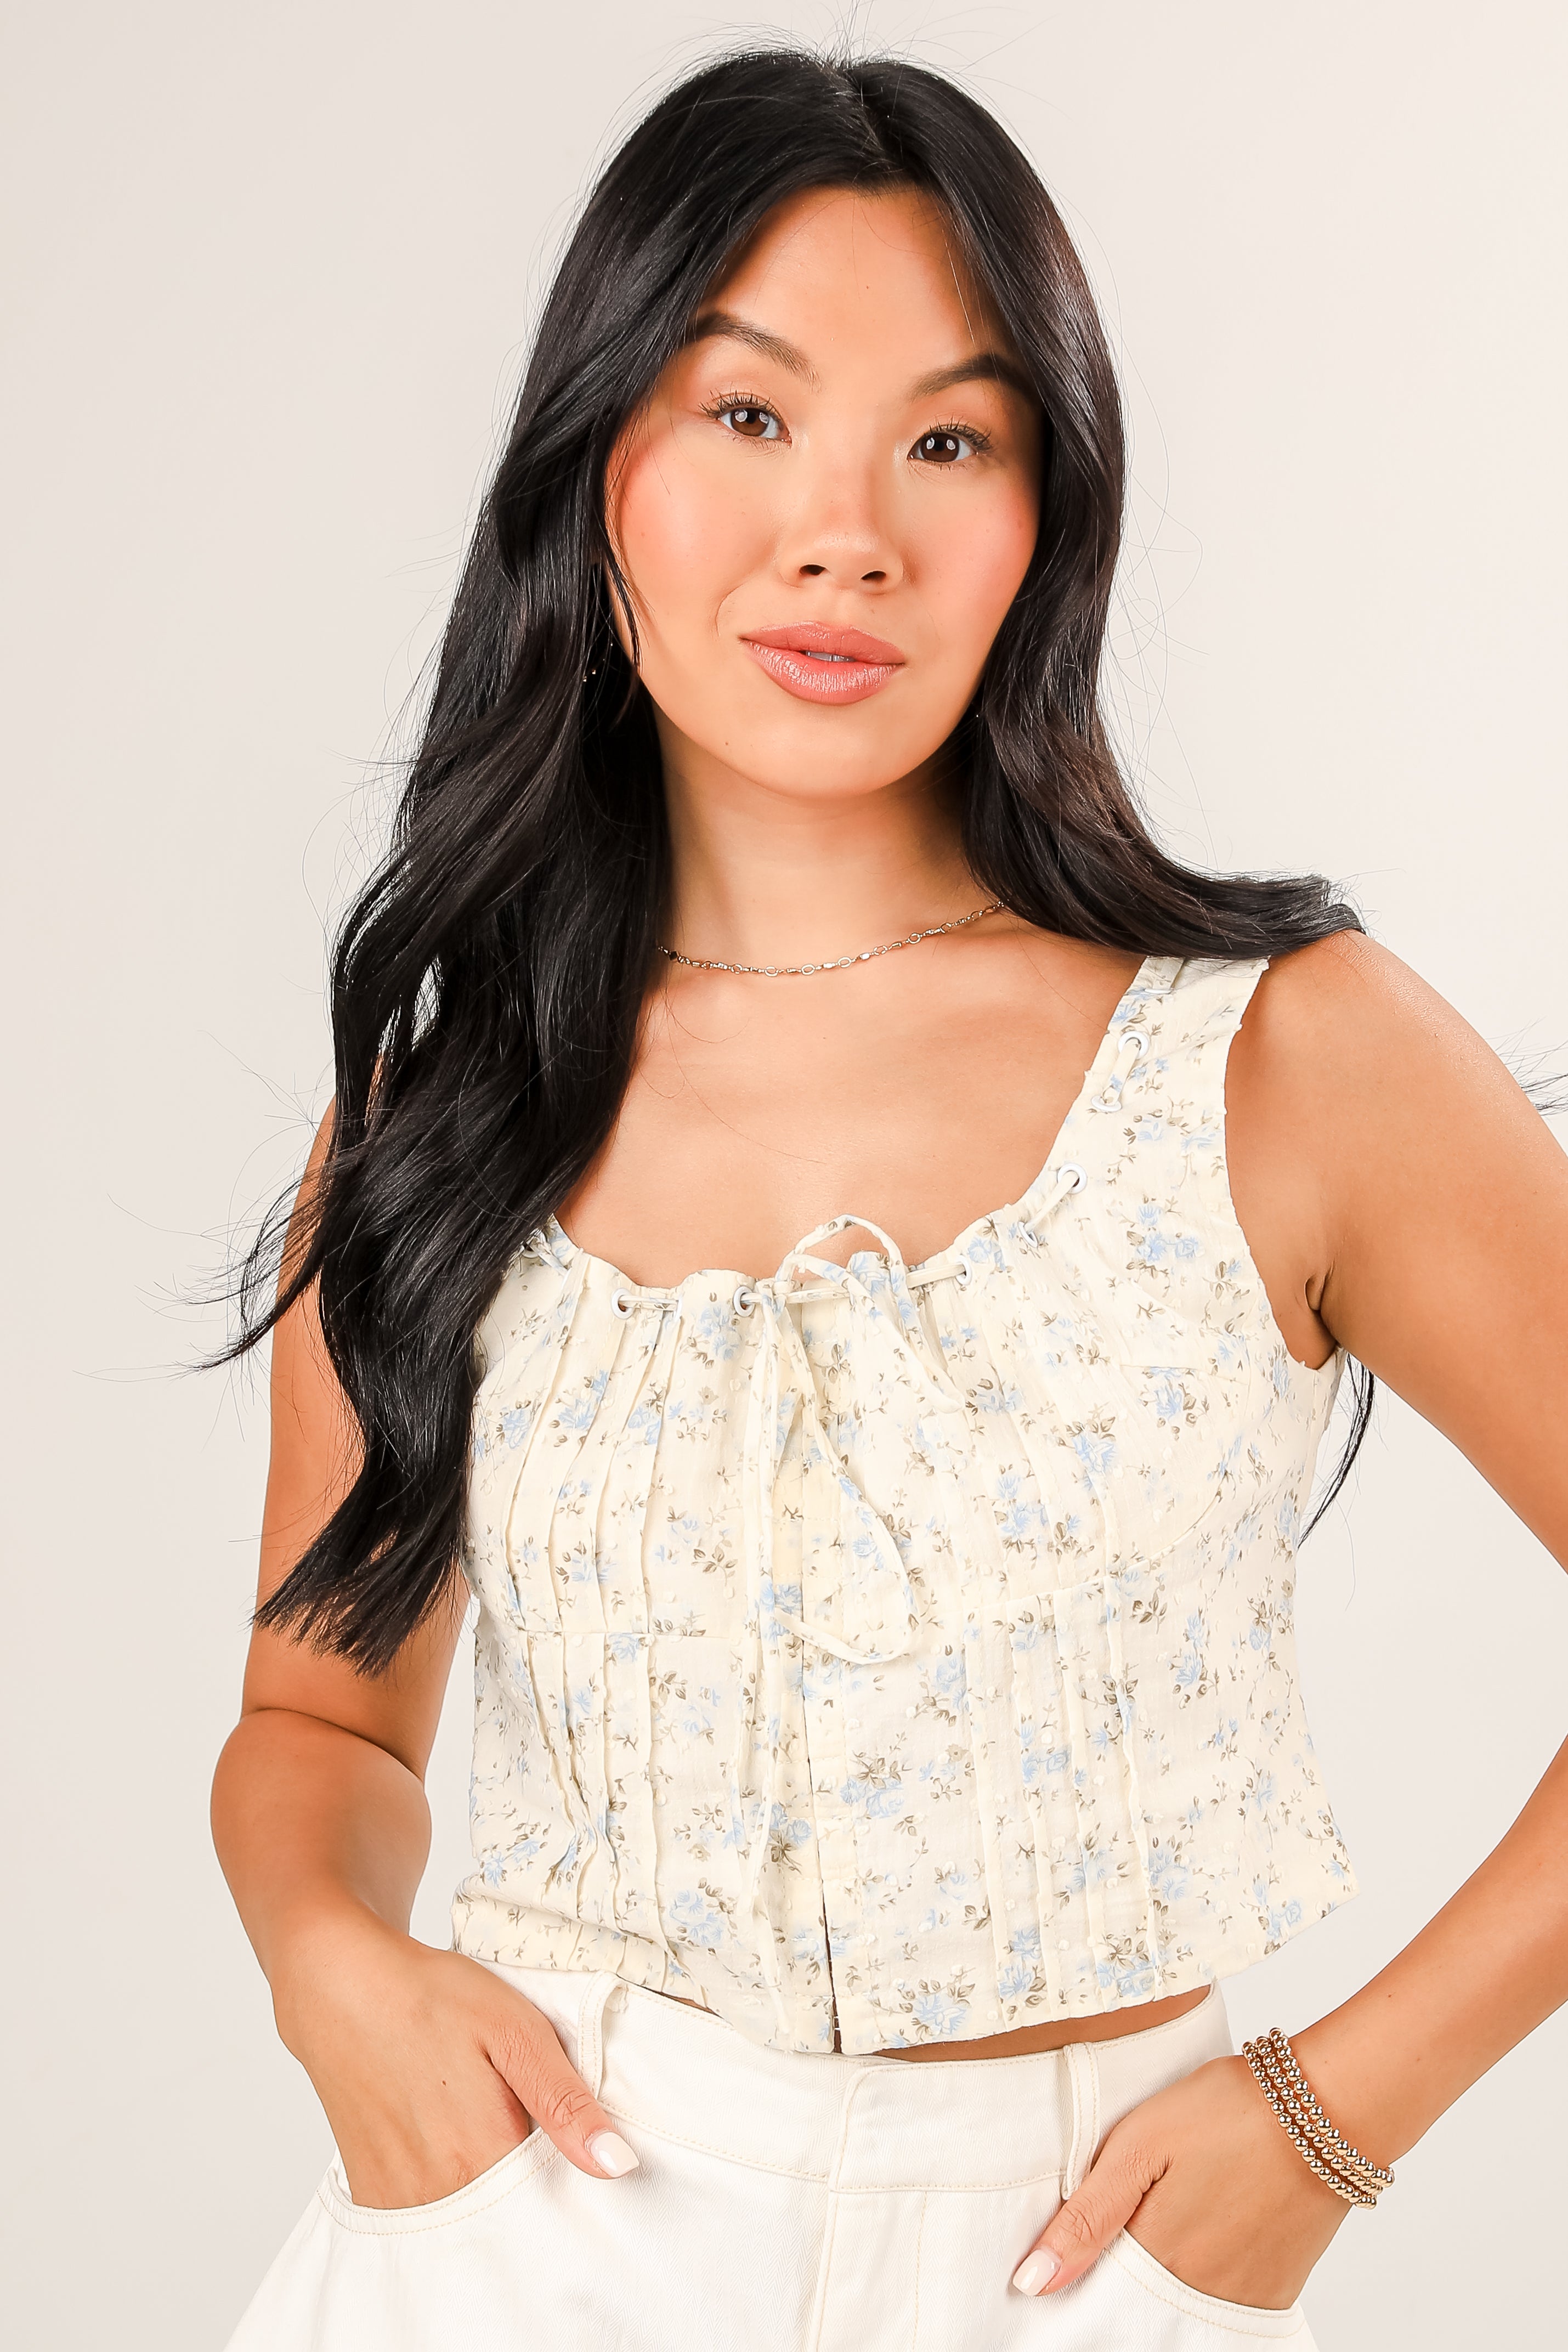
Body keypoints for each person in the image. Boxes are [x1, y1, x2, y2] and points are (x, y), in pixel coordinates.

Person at [212, 47, 1567, 2352]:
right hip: (534, 2234)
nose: (843, 530)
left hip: (1090, 2258)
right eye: (747, 416)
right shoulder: (450, 1109)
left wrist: (1340, 2115)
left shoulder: (1283, 1055)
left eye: (948, 439)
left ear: (1047, 511)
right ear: (593, 468)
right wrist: (329, 1963)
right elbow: (320, 1725)